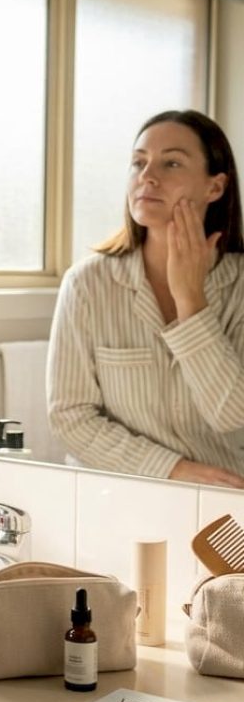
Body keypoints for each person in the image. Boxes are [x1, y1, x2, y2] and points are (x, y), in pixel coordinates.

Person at [47, 109, 244, 488]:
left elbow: (232, 414)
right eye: (138, 163)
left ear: (214, 188)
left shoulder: (239, 287)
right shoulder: (87, 284)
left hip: (223, 503)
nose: (147, 176)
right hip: (116, 495)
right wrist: (174, 469)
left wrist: (191, 302)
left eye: (171, 163)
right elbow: (70, 416)